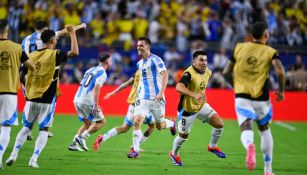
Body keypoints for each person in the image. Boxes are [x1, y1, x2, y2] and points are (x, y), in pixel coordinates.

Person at [5, 25, 79, 168]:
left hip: (31, 98)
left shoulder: (31, 55)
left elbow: (21, 76)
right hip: (47, 99)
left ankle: (13, 155)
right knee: (44, 129)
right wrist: (72, 33)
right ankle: (34, 159)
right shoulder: (55, 54)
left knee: (26, 128)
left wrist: (31, 87)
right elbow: (75, 52)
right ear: (52, 40)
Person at [223, 21, 286, 175]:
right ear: (266, 35)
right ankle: (268, 170)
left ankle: (250, 146)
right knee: (264, 131)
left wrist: (236, 87)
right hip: (262, 99)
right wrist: (281, 91)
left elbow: (225, 72)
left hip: (242, 96)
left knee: (245, 126)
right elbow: (280, 72)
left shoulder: (239, 47)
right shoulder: (270, 51)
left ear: (250, 36)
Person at [21, 21, 86, 140]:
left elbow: (22, 55)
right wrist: (80, 27)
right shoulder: (49, 36)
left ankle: (28, 130)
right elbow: (66, 30)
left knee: (30, 101)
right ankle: (45, 127)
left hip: (28, 71)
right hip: (44, 67)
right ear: (45, 29)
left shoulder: (25, 40)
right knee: (49, 98)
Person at [169, 51, 226, 167]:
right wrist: (194, 95)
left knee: (220, 124)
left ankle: (212, 147)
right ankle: (174, 154)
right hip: (187, 110)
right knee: (183, 137)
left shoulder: (208, 72)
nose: (204, 62)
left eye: (205, 60)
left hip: (201, 105)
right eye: (201, 60)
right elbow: (178, 87)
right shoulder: (188, 73)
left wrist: (200, 96)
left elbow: (201, 87)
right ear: (194, 61)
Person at [127, 37, 176, 159]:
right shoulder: (139, 63)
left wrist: (161, 92)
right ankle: (135, 151)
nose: (139, 47)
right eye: (138, 45)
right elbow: (143, 82)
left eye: (141, 45)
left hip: (157, 98)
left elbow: (165, 75)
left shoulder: (156, 59)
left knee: (159, 126)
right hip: (143, 98)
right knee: (137, 121)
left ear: (148, 47)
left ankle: (171, 123)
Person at [92, 70, 158, 151]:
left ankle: (103, 138)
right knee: (152, 126)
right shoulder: (151, 74)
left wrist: (113, 92)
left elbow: (127, 83)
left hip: (132, 104)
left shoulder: (138, 72)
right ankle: (135, 147)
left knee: (125, 128)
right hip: (142, 105)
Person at [0, 19, 35, 170]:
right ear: (7, 30)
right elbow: (32, 66)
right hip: (9, 93)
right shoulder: (17, 48)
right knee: (6, 127)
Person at [68, 53, 112, 152]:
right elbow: (96, 87)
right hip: (86, 100)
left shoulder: (90, 69)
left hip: (77, 99)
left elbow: (88, 86)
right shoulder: (102, 73)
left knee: (87, 124)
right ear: (107, 62)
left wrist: (94, 102)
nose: (111, 62)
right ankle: (82, 137)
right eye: (111, 60)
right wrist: (95, 104)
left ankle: (74, 144)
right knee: (101, 122)